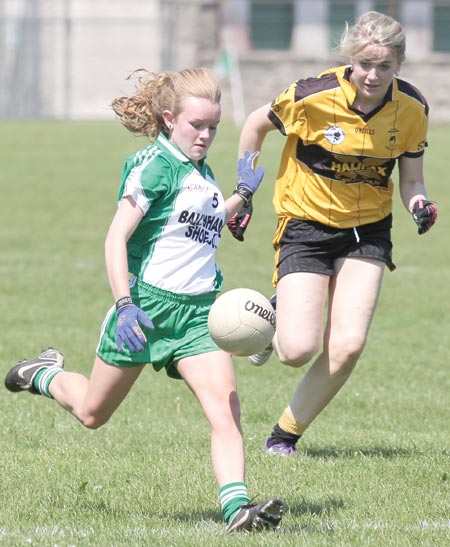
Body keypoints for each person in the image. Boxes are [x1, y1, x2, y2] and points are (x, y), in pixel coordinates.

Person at [4, 67, 284, 532]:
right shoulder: (152, 165)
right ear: (170, 119)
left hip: (200, 315)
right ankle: (44, 373)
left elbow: (196, 222)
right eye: (198, 126)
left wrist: (239, 196)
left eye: (214, 127)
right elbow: (116, 239)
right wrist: (123, 304)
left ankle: (238, 510)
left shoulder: (201, 171)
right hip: (144, 309)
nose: (207, 135)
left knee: (226, 410)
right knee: (93, 413)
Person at [237, 12, 438, 456]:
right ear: (351, 59)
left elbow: (410, 181)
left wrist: (420, 205)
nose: (373, 75)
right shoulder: (313, 95)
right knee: (296, 350)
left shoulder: (411, 109)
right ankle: (277, 316)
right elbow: (255, 125)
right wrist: (243, 190)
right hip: (306, 224)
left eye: (384, 66)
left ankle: (284, 436)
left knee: (347, 346)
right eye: (366, 63)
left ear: (398, 65)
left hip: (367, 231)